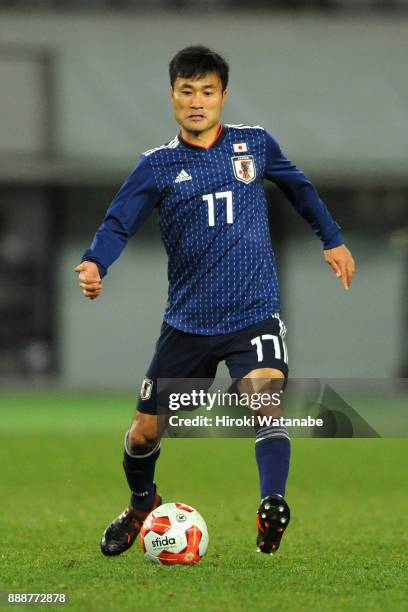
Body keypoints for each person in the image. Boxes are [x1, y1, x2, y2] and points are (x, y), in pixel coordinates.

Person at [75, 45, 355, 557]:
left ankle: (272, 506)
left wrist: (331, 238)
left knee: (265, 400)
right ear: (172, 97)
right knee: (142, 434)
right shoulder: (158, 166)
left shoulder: (255, 144)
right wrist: (96, 263)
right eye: (187, 91)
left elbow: (301, 189)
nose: (197, 101)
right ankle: (142, 504)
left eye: (207, 91)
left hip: (253, 314)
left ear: (224, 95)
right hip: (188, 324)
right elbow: (119, 222)